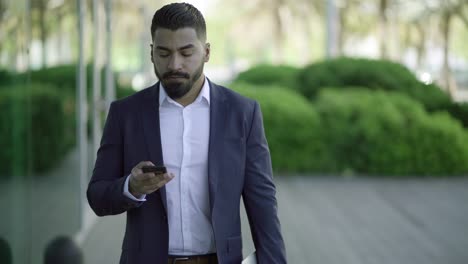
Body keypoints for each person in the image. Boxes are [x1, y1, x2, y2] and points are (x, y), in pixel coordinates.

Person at [87, 3, 286, 264]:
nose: (174, 64)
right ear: (151, 53)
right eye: (164, 53)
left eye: (185, 52)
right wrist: (131, 187)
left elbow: (262, 203)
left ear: (206, 52)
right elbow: (97, 196)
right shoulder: (126, 114)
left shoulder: (242, 113)